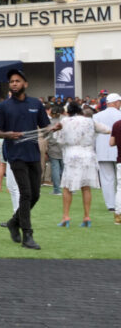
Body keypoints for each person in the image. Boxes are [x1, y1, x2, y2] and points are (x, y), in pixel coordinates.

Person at [0, 68, 59, 250]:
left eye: (17, 80)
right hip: (15, 154)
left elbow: (45, 126)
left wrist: (54, 128)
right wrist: (8, 134)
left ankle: (14, 222)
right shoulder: (4, 106)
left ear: (25, 84)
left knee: (36, 194)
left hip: (33, 153)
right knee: (26, 193)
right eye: (12, 81)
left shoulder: (35, 104)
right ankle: (27, 235)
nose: (14, 83)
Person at [58, 101, 105, 227]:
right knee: (86, 187)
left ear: (68, 111)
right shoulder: (90, 121)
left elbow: (60, 140)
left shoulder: (64, 121)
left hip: (72, 154)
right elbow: (105, 130)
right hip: (88, 155)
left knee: (67, 187)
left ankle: (66, 216)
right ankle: (86, 216)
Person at [92, 93, 121, 221]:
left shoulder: (96, 116)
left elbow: (92, 135)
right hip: (118, 150)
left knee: (106, 179)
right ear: (116, 103)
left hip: (102, 151)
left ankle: (111, 205)